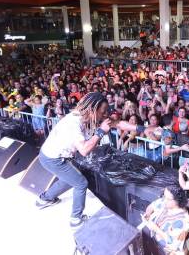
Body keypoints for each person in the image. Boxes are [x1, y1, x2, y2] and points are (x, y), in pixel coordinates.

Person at [36, 92, 146, 228]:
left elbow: (117, 123)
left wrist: (143, 129)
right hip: (52, 158)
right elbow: (84, 150)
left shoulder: (90, 116)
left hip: (56, 156)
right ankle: (76, 218)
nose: (105, 115)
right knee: (80, 183)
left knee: (68, 179)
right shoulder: (73, 123)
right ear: (92, 109)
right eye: (103, 112)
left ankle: (44, 199)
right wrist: (100, 132)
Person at [142, 185, 189, 255]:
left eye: (167, 198)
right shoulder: (164, 202)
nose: (164, 199)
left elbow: (172, 245)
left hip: (162, 248)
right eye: (164, 196)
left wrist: (156, 229)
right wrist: (148, 214)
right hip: (152, 238)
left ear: (176, 201)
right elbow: (152, 206)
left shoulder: (182, 221)